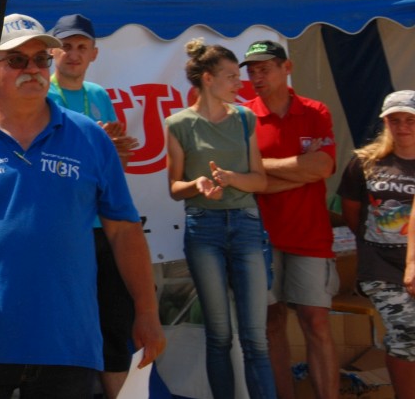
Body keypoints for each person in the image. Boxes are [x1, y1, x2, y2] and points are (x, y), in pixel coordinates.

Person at [0, 14, 165, 398]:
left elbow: (124, 231)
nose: (33, 69)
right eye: (17, 60)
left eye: (41, 59)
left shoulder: (90, 138)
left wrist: (147, 311)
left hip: (67, 343)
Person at [165, 39, 276, 398]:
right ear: (208, 79)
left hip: (246, 224)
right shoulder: (178, 124)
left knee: (255, 338)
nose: (239, 83)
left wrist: (231, 179)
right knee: (219, 335)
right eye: (231, 76)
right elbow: (175, 188)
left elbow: (260, 180)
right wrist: (197, 184)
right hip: (204, 228)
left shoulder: (244, 118)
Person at [240, 39, 339, 399]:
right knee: (271, 324)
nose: (257, 77)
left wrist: (261, 169)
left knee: (316, 322)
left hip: (310, 235)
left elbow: (323, 166)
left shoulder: (315, 111)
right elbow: (244, 178)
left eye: (264, 69)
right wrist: (300, 170)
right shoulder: (242, 116)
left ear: (287, 68)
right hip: (259, 237)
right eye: (252, 71)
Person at [47, 13, 139, 399]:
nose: (74, 54)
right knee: (63, 327)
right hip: (62, 231)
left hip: (104, 229)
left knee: (115, 326)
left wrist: (115, 152)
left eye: (81, 47)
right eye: (66, 46)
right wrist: (92, 148)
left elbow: (114, 167)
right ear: (53, 52)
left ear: (94, 54)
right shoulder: (40, 96)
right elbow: (44, 166)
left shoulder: (99, 96)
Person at [338, 90, 415, 398]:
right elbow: (351, 212)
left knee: (406, 339)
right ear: (385, 122)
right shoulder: (365, 162)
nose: (403, 127)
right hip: (380, 267)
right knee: (407, 332)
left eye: (410, 120)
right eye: (395, 120)